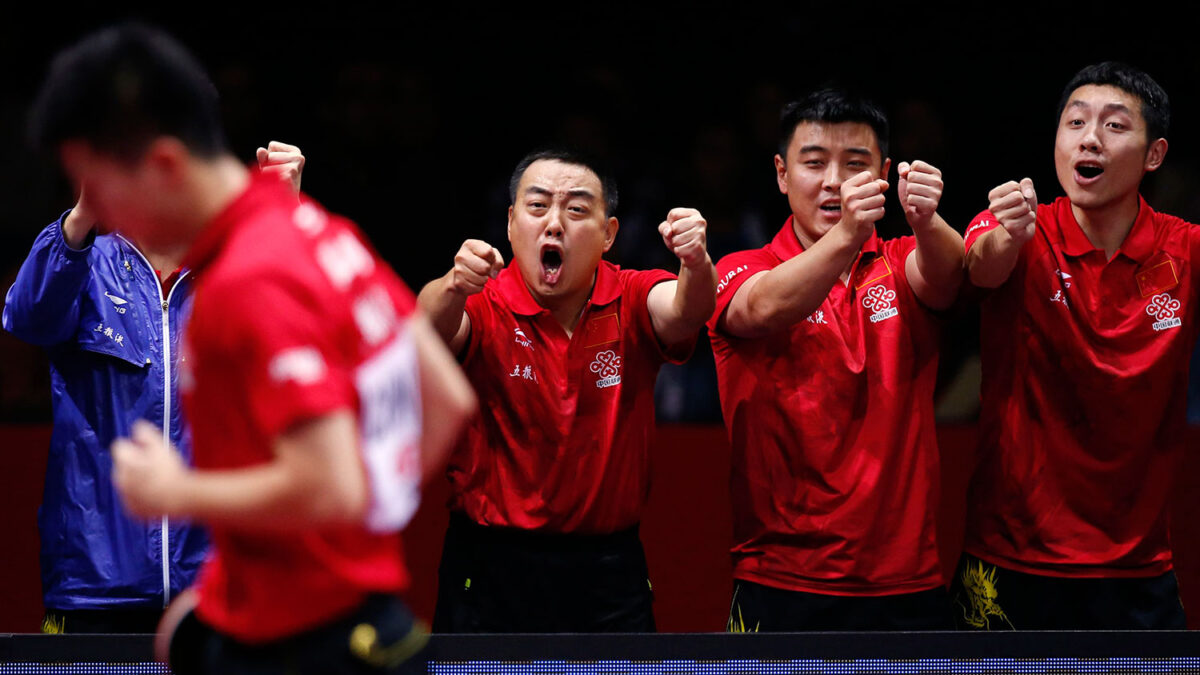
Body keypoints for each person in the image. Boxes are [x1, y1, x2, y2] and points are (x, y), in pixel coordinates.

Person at [30, 23, 476, 673]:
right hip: (367, 621)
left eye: (104, 188)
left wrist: (180, 491)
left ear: (162, 165)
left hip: (303, 646)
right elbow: (443, 395)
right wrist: (347, 552)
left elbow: (328, 480)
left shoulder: (244, 281)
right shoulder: (320, 230)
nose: (104, 215)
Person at [4, 105, 303, 631]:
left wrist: (283, 225)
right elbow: (26, 318)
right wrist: (78, 221)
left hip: (214, 586)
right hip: (96, 588)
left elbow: (301, 344)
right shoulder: (84, 264)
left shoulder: (235, 272)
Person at [417, 149, 717, 632]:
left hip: (608, 568)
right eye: (537, 207)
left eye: (576, 210)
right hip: (491, 564)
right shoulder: (482, 302)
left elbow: (687, 310)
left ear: (608, 234)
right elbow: (426, 331)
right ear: (512, 223)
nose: (554, 224)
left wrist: (696, 261)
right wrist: (453, 285)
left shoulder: (634, 295)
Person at [708, 88, 964, 631]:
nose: (833, 181)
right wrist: (849, 234)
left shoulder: (899, 262)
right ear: (781, 173)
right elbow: (761, 308)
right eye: (814, 162)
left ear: (884, 173)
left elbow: (947, 278)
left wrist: (926, 220)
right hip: (780, 578)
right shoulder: (742, 267)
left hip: (905, 579)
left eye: (855, 164)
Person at [953, 62, 1192, 630]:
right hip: (1008, 558)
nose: (1089, 138)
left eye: (1114, 126)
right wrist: (1008, 237)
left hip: (1136, 566)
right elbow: (979, 270)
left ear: (1153, 155)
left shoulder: (1186, 251)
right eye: (1075, 122)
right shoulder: (1012, 224)